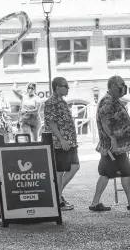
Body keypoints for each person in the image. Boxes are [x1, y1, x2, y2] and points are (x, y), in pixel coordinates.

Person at [89, 76, 130, 212]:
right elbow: (104, 122)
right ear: (114, 86)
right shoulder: (108, 101)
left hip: (117, 147)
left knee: (122, 172)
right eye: (122, 84)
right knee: (107, 173)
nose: (124, 86)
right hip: (113, 148)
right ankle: (95, 202)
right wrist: (113, 139)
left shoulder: (113, 100)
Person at [44, 77, 80, 211]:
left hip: (69, 142)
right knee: (59, 171)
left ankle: (56, 194)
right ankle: (58, 200)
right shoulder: (51, 102)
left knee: (75, 166)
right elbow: (51, 123)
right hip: (60, 143)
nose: (68, 88)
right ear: (58, 87)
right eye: (65, 86)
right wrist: (61, 139)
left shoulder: (62, 102)